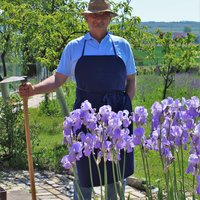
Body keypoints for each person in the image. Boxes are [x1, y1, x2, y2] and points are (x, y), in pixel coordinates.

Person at [19, 0, 136, 199]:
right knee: (85, 176)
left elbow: (131, 80)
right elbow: (58, 79)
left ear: (109, 19)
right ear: (86, 18)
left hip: (115, 121)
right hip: (84, 122)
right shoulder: (74, 47)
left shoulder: (122, 46)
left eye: (102, 15)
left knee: (116, 177)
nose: (98, 19)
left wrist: (125, 108)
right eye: (94, 15)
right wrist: (33, 90)